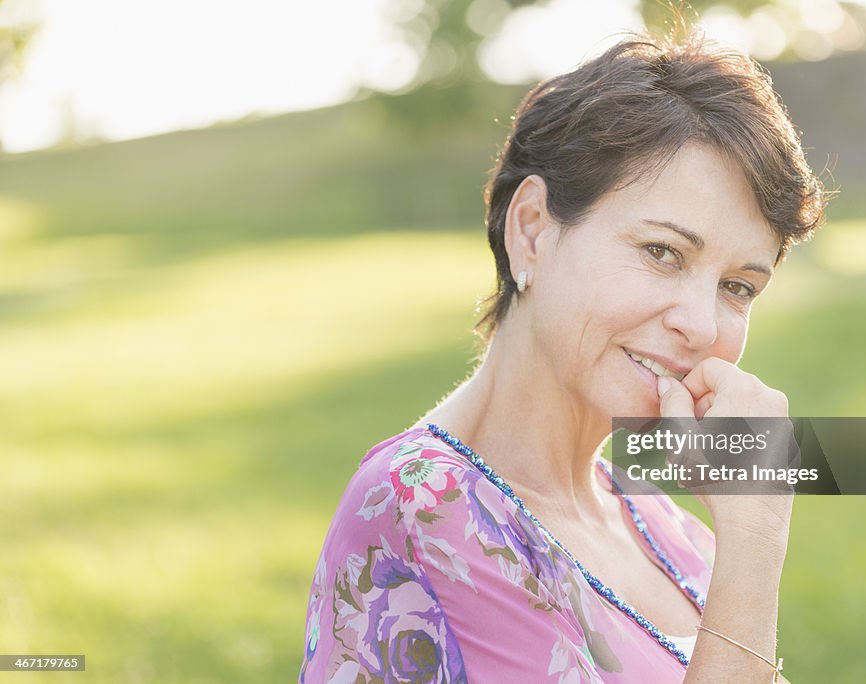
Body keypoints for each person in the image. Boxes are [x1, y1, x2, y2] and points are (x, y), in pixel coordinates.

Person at [299, 27, 825, 683]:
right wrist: (755, 538)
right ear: (532, 232)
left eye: (737, 287)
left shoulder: (660, 523)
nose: (697, 325)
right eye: (663, 252)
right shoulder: (425, 503)